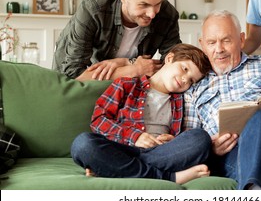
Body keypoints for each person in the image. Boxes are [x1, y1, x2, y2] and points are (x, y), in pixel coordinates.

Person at [183, 10, 261, 190]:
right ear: (202, 45)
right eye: (211, 42)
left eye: (226, 40)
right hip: (230, 154)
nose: (219, 49)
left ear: (241, 40)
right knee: (248, 153)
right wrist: (211, 148)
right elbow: (191, 143)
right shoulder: (194, 86)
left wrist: (255, 121)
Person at [71, 43, 212, 184]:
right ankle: (170, 177)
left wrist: (172, 140)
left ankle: (113, 168)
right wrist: (134, 137)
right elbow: (98, 120)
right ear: (170, 58)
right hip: (121, 149)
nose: (184, 79)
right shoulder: (126, 84)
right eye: (184, 69)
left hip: (159, 153)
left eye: (191, 80)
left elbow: (181, 141)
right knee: (83, 144)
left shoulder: (181, 101)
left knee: (200, 138)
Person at [53, 0, 181, 81]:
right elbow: (73, 75)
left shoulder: (168, 14)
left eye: (158, 3)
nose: (152, 14)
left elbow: (176, 64)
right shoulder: (93, 8)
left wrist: (124, 62)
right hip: (71, 83)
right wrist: (132, 69)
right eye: (144, 5)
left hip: (124, 87)